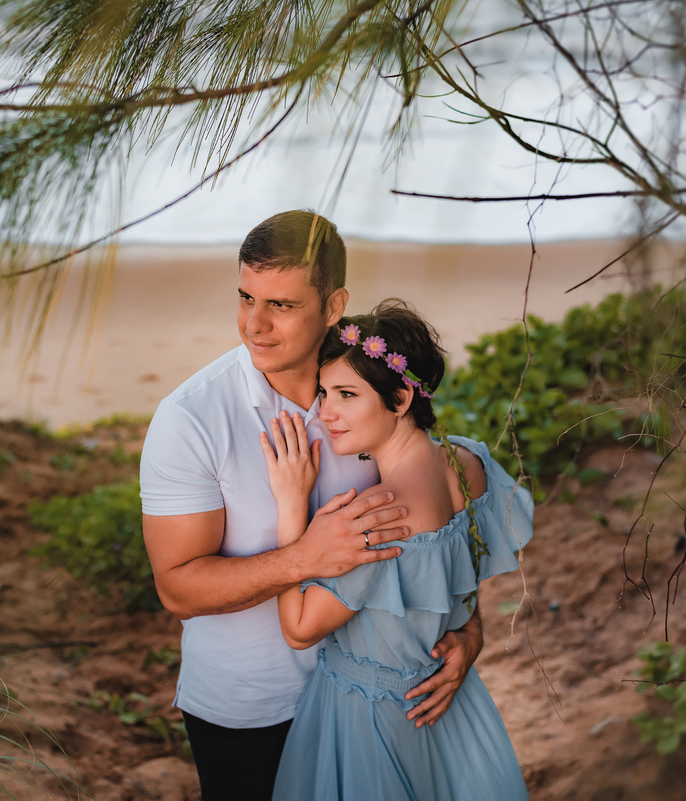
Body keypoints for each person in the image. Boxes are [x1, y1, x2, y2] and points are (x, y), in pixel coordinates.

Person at [140, 211, 487, 801]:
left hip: (384, 698)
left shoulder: (370, 388)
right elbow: (178, 588)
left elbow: (431, 520)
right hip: (255, 712)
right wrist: (302, 557)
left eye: (282, 305)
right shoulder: (190, 419)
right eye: (246, 297)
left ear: (334, 305)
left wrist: (469, 628)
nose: (255, 325)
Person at [263, 300, 532, 800]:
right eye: (323, 393)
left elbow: (300, 629)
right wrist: (471, 634)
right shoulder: (468, 462)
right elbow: (463, 583)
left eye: (347, 394)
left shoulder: (377, 516)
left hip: (368, 718)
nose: (326, 413)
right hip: (445, 707)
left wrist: (289, 502)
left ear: (402, 397)